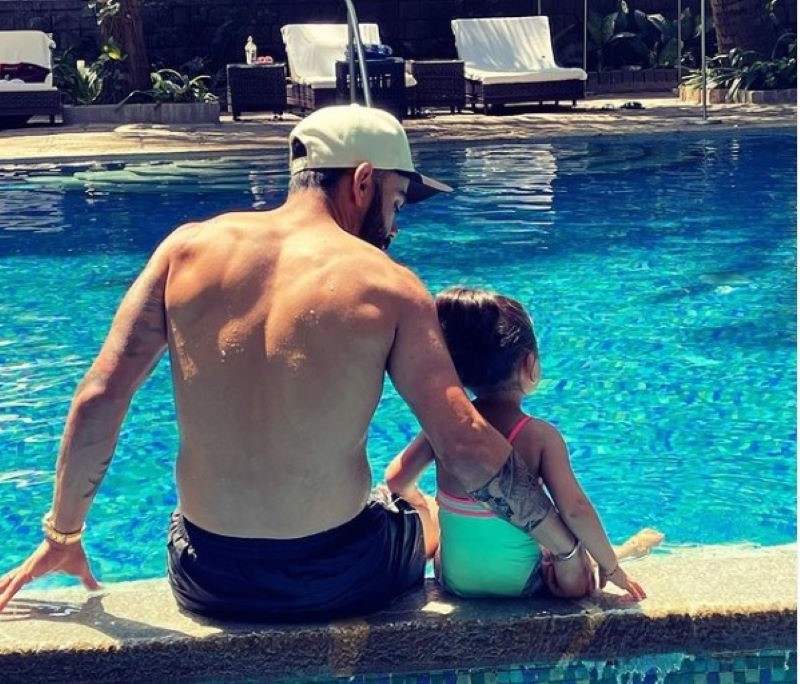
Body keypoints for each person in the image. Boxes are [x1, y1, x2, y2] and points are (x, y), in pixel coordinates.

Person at [0, 104, 590, 621]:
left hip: (206, 576)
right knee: (424, 515)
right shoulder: (389, 284)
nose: (394, 226)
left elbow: (100, 396)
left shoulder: (184, 251)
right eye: (395, 202)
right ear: (362, 181)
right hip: (341, 576)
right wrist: (566, 548)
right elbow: (462, 441)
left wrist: (62, 534)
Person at [386, 286, 662, 599]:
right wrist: (611, 566)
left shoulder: (446, 428)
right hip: (523, 583)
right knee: (568, 545)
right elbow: (576, 509)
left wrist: (425, 504)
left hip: (452, 579)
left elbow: (396, 479)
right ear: (529, 363)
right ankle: (622, 553)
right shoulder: (540, 436)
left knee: (434, 509)